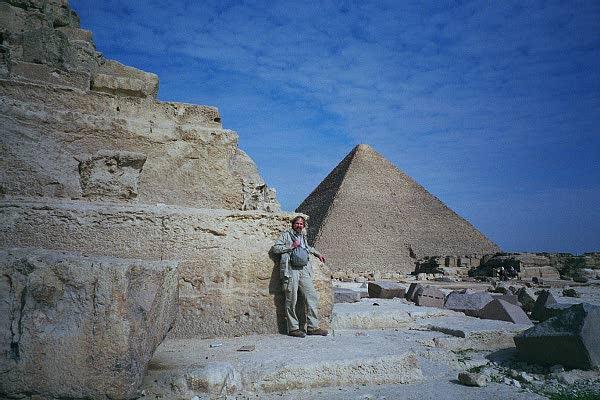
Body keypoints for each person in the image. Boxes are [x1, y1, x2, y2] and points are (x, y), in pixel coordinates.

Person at [271, 216, 328, 337]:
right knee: (292, 299)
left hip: (303, 270)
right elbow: (275, 249)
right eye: (297, 223)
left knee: (311, 296)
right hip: (290, 270)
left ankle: (313, 327)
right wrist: (290, 247)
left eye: (301, 224)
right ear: (293, 224)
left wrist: (318, 254)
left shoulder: (302, 236)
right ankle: (293, 328)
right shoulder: (286, 235)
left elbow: (307, 248)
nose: (299, 226)